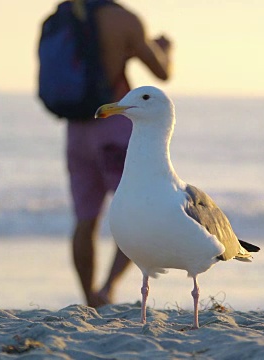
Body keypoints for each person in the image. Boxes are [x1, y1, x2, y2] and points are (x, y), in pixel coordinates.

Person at [61, 0, 172, 307]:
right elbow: (161, 72)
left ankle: (89, 298)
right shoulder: (124, 20)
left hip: (77, 131)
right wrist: (163, 48)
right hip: (113, 128)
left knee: (85, 219)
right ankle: (108, 288)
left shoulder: (65, 16)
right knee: (133, 211)